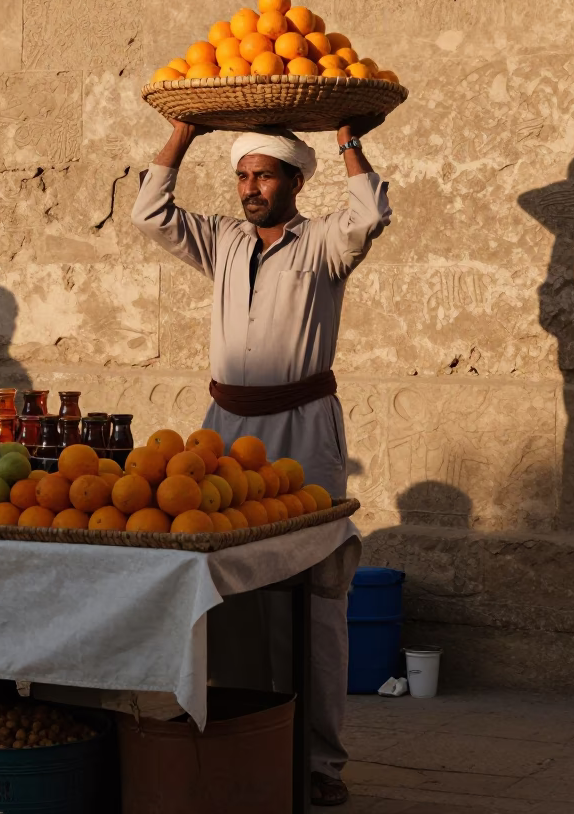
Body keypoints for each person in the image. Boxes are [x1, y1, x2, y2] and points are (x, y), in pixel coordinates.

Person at [132, 116, 391, 806]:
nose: (250, 188)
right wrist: (183, 135)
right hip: (222, 431)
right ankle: (245, 736)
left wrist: (345, 136)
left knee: (316, 597)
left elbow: (371, 211)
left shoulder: (325, 245)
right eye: (243, 175)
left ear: (295, 181)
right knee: (231, 592)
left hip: (304, 434)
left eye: (264, 175)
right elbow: (148, 211)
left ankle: (320, 763)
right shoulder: (221, 240)